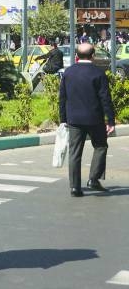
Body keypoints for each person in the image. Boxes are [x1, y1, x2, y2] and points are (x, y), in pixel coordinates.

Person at [59, 43, 115, 197]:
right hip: (94, 119)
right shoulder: (98, 73)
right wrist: (110, 121)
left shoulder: (68, 73)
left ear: (76, 55)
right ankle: (94, 179)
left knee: (74, 153)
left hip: (74, 119)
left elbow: (62, 98)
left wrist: (63, 119)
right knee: (101, 146)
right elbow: (105, 99)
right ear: (93, 55)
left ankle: (75, 188)